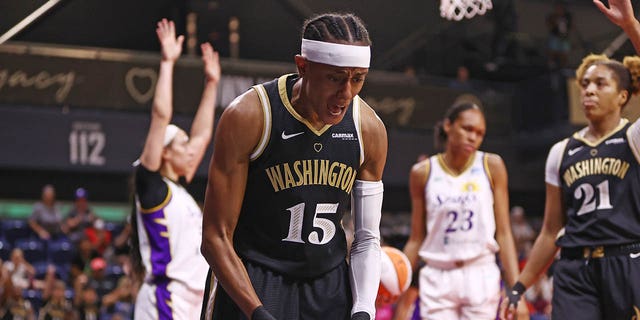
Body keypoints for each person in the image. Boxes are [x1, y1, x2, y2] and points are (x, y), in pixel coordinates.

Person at [200, 12, 387, 320]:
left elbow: (367, 237)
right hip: (256, 275)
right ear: (303, 66)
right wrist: (256, 312)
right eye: (335, 78)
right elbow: (215, 236)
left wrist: (364, 308)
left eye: (358, 79)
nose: (346, 94)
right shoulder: (250, 116)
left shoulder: (369, 129)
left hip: (327, 282)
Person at [502, 2, 640, 319]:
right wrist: (520, 286)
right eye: (585, 84)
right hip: (575, 269)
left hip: (627, 261)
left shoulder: (633, 138)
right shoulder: (561, 151)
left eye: (600, 83)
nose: (589, 90)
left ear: (623, 96)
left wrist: (631, 26)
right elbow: (551, 232)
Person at [401, 102, 527, 319]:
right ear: (448, 126)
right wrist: (398, 278)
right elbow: (416, 238)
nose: (473, 137)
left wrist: (517, 291)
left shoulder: (492, 165)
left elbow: (504, 233)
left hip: (480, 271)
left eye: (480, 133)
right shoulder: (422, 172)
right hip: (437, 274)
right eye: (467, 129)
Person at [131, 18, 220, 320]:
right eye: (182, 144)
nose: (191, 149)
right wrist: (168, 62)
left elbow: (203, 136)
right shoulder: (152, 186)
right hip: (165, 298)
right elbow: (160, 115)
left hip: (190, 300)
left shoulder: (178, 190)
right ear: (165, 153)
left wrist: (212, 84)